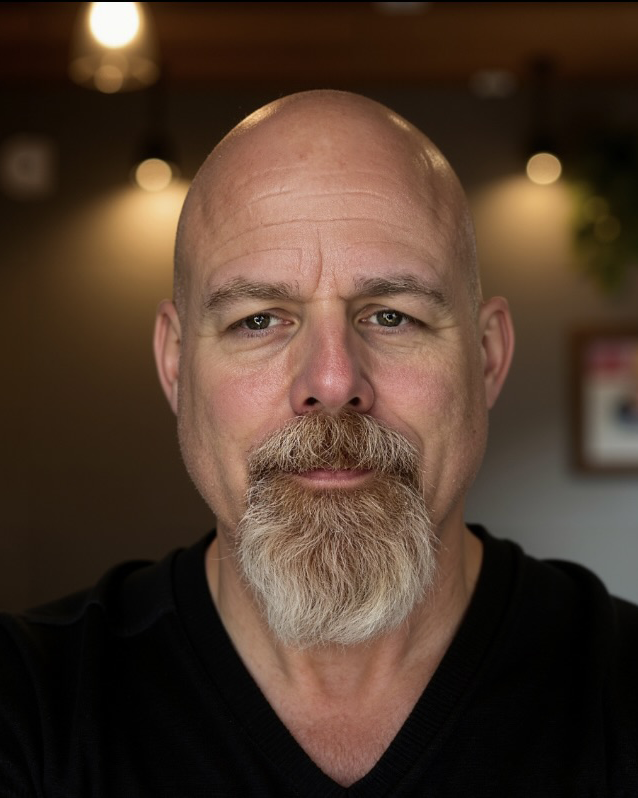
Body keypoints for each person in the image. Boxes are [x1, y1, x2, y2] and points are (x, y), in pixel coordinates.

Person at [1, 90, 636, 797]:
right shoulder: (26, 708)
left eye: (392, 315)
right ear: (176, 363)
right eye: (259, 320)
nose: (332, 381)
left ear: (487, 357)